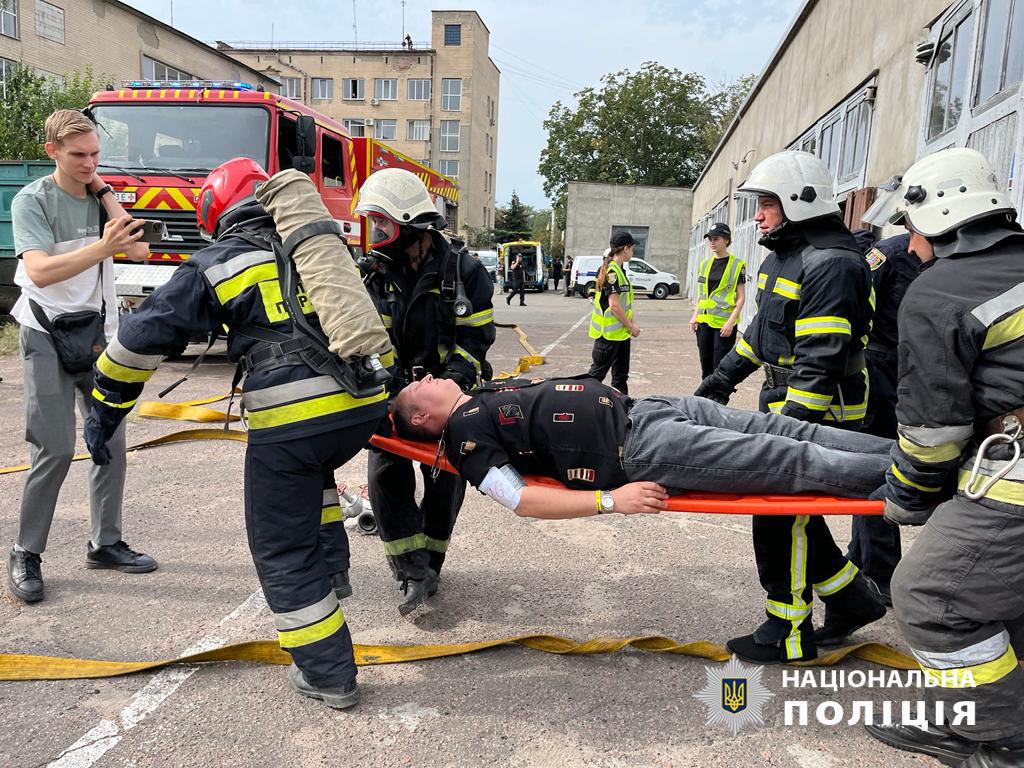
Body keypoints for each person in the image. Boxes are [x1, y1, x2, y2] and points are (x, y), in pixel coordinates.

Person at [84, 158, 392, 709]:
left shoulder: (219, 260)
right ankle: (334, 574)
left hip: (295, 414)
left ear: (217, 212)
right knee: (312, 476)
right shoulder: (314, 246)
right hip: (362, 403)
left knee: (281, 545)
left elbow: (137, 340)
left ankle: (327, 674)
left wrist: (105, 409)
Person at [860, 148, 1024, 768]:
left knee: (933, 597)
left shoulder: (941, 291)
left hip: (1015, 476)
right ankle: (979, 707)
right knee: (1007, 598)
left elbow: (933, 428)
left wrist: (906, 498)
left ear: (939, 218)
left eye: (909, 226)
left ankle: (1003, 736)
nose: (908, 240)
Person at [694, 150, 884, 663]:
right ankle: (852, 598)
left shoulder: (833, 263)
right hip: (784, 398)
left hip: (823, 407)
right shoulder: (786, 254)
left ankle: (788, 633)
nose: (757, 215)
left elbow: (821, 359)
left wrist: (789, 431)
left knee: (781, 514)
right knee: (792, 511)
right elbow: (760, 335)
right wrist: (715, 385)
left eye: (767, 203)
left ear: (800, 201)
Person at [6, 109, 155, 605]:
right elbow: (42, 272)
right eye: (79, 155)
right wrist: (101, 246)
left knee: (108, 438)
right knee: (53, 448)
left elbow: (139, 255)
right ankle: (26, 553)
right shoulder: (34, 200)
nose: (90, 163)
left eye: (95, 154)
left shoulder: (99, 196)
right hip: (45, 334)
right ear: (52, 152)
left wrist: (108, 197)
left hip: (96, 335)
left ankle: (105, 543)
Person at [391, 375, 892, 518]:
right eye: (420, 385)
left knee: (786, 430)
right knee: (789, 460)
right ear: (420, 416)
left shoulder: (477, 393)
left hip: (646, 408)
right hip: (639, 447)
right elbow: (520, 500)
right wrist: (611, 501)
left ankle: (908, 456)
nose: (429, 376)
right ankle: (922, 479)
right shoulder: (464, 437)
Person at [356, 168, 495, 617]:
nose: (377, 233)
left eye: (383, 224)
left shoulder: (466, 272)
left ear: (410, 225)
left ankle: (432, 562)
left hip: (445, 395)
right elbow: (369, 344)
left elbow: (476, 340)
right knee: (384, 477)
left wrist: (452, 382)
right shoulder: (373, 275)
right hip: (393, 393)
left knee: (446, 480)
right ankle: (410, 570)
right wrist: (394, 392)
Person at [843, 226, 918, 607]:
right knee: (880, 466)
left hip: (911, 371)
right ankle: (878, 570)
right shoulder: (889, 254)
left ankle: (865, 561)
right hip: (880, 371)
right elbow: (854, 304)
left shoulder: (944, 252)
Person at [689, 222, 746, 378]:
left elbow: (741, 298)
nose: (712, 243)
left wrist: (731, 322)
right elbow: (702, 295)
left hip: (724, 326)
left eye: (716, 239)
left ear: (726, 240)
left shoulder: (737, 265)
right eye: (710, 239)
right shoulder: (705, 264)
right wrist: (695, 316)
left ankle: (717, 401)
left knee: (720, 369)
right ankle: (704, 401)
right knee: (705, 368)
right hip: (704, 323)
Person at [587, 231, 641, 394]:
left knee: (620, 376)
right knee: (596, 376)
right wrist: (632, 327)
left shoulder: (619, 271)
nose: (632, 252)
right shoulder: (612, 272)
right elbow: (614, 306)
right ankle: (580, 407)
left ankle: (621, 410)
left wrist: (630, 325)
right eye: (632, 248)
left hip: (620, 335)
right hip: (608, 336)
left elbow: (625, 305)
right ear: (626, 248)